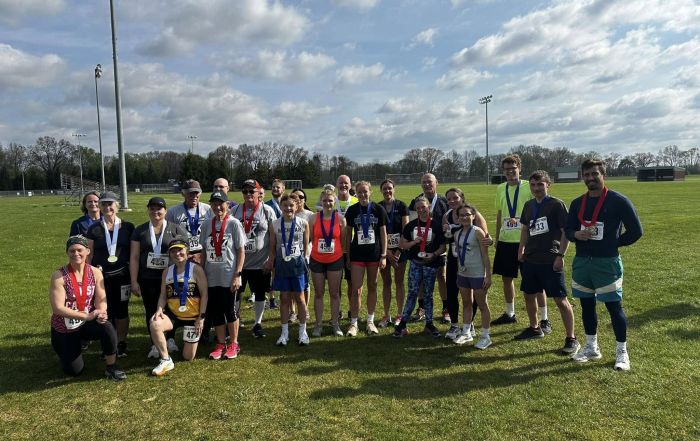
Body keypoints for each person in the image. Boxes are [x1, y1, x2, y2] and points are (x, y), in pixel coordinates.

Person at [565, 159, 642, 371]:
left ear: (603, 175)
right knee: (586, 306)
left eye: (594, 174)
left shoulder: (618, 201)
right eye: (587, 175)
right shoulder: (577, 203)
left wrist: (614, 243)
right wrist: (575, 234)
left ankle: (622, 352)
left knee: (613, 307)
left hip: (606, 263)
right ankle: (592, 347)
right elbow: (568, 229)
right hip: (582, 262)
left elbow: (636, 231)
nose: (590, 178)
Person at [515, 171, 580, 354]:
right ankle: (535, 328)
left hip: (550, 260)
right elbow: (525, 229)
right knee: (529, 294)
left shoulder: (556, 205)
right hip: (531, 259)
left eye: (540, 185)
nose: (536, 189)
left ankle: (571, 338)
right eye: (533, 185)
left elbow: (565, 232)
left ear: (548, 185)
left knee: (560, 300)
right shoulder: (528, 205)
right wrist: (521, 249)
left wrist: (560, 255)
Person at [50, 235, 126, 380]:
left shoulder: (95, 272)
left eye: (80, 250)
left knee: (107, 326)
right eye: (72, 251)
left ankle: (111, 366)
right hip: (65, 327)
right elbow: (58, 308)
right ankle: (70, 349)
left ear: (87, 251)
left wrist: (102, 311)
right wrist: (86, 316)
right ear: (67, 253)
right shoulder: (59, 276)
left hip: (86, 322)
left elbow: (101, 298)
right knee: (74, 371)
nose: (76, 254)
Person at [491, 154, 548, 327]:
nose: (510, 172)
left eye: (513, 169)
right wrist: (498, 237)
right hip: (506, 241)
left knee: (535, 280)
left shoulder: (528, 187)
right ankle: (510, 313)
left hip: (527, 241)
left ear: (519, 169)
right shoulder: (501, 188)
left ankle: (544, 319)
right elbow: (500, 213)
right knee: (506, 278)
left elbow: (538, 209)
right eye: (506, 169)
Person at [130, 197, 188, 358]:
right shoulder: (140, 231)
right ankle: (155, 343)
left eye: (159, 208)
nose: (156, 211)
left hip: (171, 278)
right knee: (151, 309)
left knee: (170, 308)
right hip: (147, 278)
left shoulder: (175, 229)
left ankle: (170, 339)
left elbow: (186, 251)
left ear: (165, 211)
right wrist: (134, 281)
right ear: (148, 210)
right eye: (152, 208)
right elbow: (134, 257)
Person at [149, 238, 209, 376]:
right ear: (170, 254)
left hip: (193, 317)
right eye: (173, 251)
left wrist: (202, 317)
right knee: (155, 323)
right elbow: (163, 295)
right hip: (174, 315)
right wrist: (159, 309)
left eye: (180, 250)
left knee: (188, 357)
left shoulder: (197, 269)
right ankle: (165, 359)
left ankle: (187, 341)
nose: (177, 254)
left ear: (187, 251)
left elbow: (205, 295)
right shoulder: (167, 272)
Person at [86, 191, 135, 357]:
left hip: (123, 276)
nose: (107, 207)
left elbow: (133, 253)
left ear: (117, 206)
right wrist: (87, 275)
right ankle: (109, 342)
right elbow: (89, 254)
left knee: (122, 310)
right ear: (100, 206)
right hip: (101, 278)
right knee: (105, 310)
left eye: (110, 204)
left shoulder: (128, 227)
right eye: (104, 204)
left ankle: (121, 342)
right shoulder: (94, 228)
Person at [199, 191, 246, 360]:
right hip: (211, 276)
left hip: (228, 275)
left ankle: (234, 343)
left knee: (230, 310)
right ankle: (220, 343)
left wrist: (237, 274)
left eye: (221, 204)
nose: (218, 207)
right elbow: (203, 251)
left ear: (227, 205)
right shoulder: (206, 225)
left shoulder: (233, 224)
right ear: (210, 205)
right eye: (214, 204)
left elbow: (241, 251)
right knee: (216, 311)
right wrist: (201, 273)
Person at [443, 188, 492, 341]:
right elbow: (446, 237)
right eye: (449, 199)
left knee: (476, 296)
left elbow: (485, 237)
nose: (452, 201)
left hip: (474, 262)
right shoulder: (447, 215)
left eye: (455, 198)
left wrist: (489, 240)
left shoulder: (473, 214)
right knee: (453, 291)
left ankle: (470, 325)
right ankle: (456, 325)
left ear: (462, 198)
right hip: (455, 260)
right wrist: (445, 232)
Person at [393, 196, 446, 338]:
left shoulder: (436, 225)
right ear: (415, 210)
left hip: (431, 265)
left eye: (423, 207)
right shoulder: (410, 226)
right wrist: (414, 242)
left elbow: (442, 247)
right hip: (415, 264)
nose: (421, 210)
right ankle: (403, 324)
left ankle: (429, 324)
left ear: (429, 208)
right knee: (412, 293)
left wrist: (433, 254)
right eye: (418, 208)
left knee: (428, 294)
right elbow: (403, 245)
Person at [232, 179, 277, 337]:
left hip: (260, 262)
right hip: (240, 264)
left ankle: (257, 323)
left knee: (259, 293)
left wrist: (271, 258)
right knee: (237, 293)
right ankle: (236, 320)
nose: (249, 194)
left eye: (252, 191)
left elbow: (273, 238)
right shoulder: (235, 210)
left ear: (259, 193)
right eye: (245, 191)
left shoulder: (267, 211)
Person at [265, 193, 311, 346]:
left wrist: (304, 261)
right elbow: (272, 248)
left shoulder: (303, 223)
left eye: (291, 205)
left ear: (297, 206)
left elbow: (305, 248)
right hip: (282, 265)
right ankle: (284, 334)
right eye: (285, 206)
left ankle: (302, 332)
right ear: (280, 207)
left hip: (297, 265)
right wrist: (271, 261)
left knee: (300, 298)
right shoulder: (275, 224)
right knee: (284, 299)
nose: (288, 208)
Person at [344, 181, 388, 336]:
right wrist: (348, 255)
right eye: (359, 192)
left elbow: (383, 234)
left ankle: (370, 321)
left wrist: (383, 255)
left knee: (372, 286)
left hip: (374, 255)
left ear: (370, 192)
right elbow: (348, 234)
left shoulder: (378, 209)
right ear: (356, 193)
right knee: (356, 290)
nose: (363, 195)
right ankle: (354, 323)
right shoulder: (352, 210)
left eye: (365, 192)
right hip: (357, 255)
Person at [407, 173, 449, 323]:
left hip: (438, 247)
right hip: (420, 247)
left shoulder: (444, 201)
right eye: (424, 182)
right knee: (421, 280)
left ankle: (446, 309)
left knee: (442, 277)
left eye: (429, 182)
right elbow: (412, 223)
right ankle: (422, 308)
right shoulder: (415, 201)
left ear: (436, 183)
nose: (426, 185)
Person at [308, 187, 347, 337]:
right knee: (318, 293)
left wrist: (341, 255)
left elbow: (343, 242)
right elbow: (311, 239)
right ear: (321, 202)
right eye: (325, 201)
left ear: (335, 201)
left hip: (335, 260)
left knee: (334, 293)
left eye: (330, 200)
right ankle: (318, 325)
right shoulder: (313, 218)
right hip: (317, 259)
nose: (327, 203)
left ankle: (335, 324)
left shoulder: (341, 219)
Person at [378, 179, 409, 328]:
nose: (387, 191)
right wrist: (387, 252)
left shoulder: (402, 206)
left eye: (390, 188)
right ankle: (386, 315)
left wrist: (398, 250)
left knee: (399, 282)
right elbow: (378, 232)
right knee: (386, 283)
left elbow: (406, 230)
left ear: (394, 189)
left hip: (399, 251)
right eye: (384, 189)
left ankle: (399, 314)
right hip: (384, 252)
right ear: (381, 190)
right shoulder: (378, 207)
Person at [166, 179, 212, 264]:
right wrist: (183, 255)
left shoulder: (208, 209)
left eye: (196, 193)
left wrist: (201, 254)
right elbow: (169, 237)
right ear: (183, 193)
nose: (194, 196)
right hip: (182, 254)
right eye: (190, 193)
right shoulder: (173, 212)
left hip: (204, 254)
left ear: (200, 193)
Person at [334, 175, 359, 321]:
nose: (343, 185)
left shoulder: (356, 201)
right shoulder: (331, 202)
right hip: (335, 248)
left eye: (346, 183)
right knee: (335, 283)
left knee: (352, 282)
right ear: (336, 184)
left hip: (352, 247)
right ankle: (337, 311)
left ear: (350, 185)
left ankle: (351, 310)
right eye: (341, 183)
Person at [290, 188, 314, 322]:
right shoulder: (287, 214)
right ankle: (293, 311)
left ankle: (304, 310)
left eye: (301, 197)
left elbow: (312, 236)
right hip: (289, 255)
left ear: (304, 200)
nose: (298, 200)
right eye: (295, 197)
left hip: (305, 255)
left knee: (305, 284)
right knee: (292, 284)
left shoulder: (310, 215)